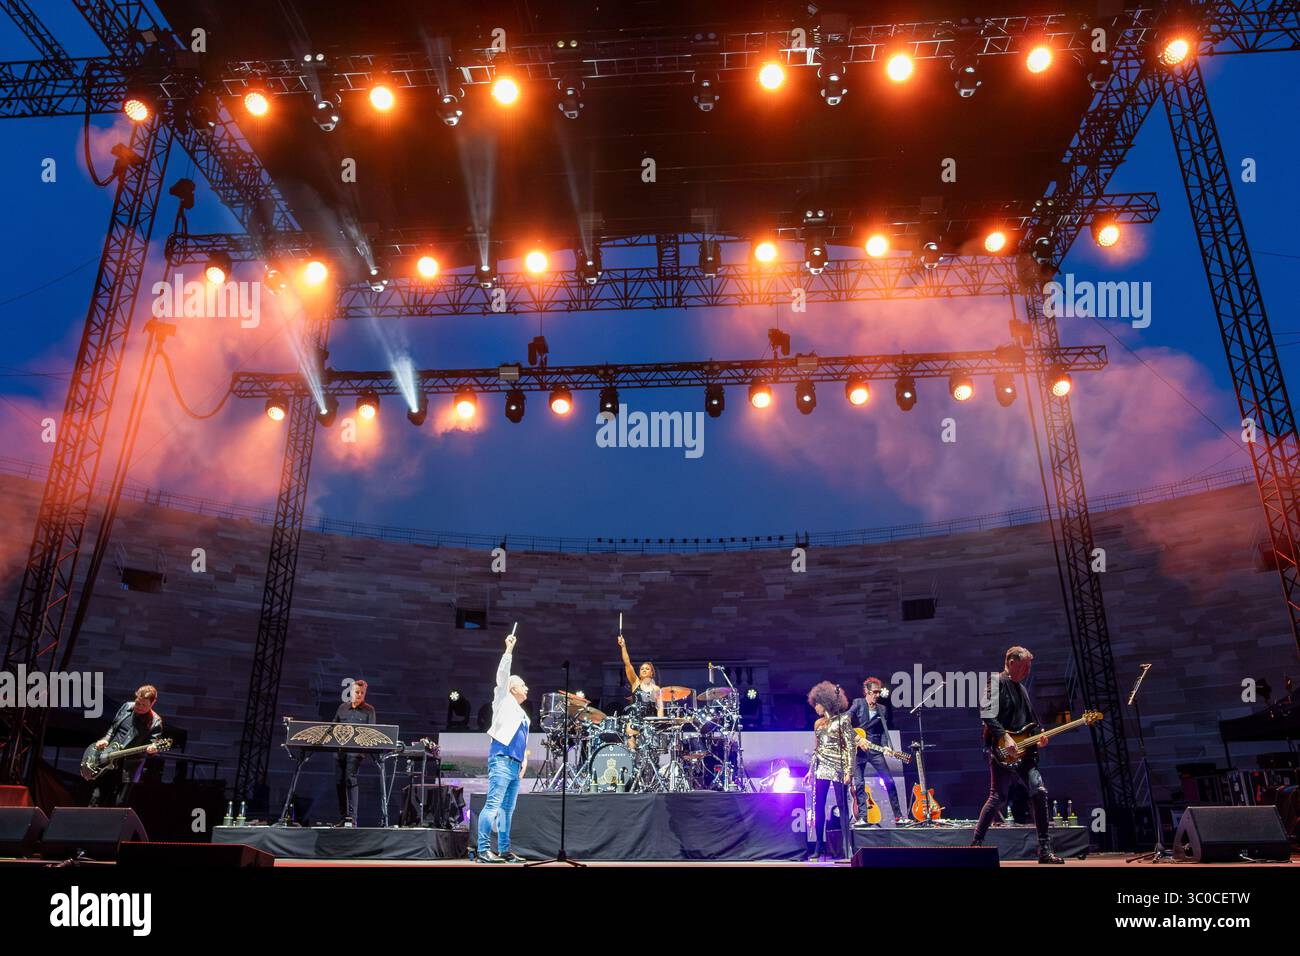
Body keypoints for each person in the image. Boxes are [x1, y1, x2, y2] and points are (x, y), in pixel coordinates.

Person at [970, 646, 1064, 864]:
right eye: (1024, 667)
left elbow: (1031, 720)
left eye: (1030, 667)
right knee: (997, 798)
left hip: (1025, 752)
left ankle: (1044, 850)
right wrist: (1004, 736)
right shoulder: (996, 682)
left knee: (1038, 791)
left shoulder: (1022, 688)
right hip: (1002, 750)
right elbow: (986, 713)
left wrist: (1040, 735)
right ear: (1011, 663)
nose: (1028, 671)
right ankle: (975, 845)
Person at [477, 632, 530, 863]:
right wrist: (508, 650)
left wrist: (524, 760)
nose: (526, 688)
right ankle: (483, 849)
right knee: (493, 805)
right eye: (523, 685)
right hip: (501, 759)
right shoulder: (502, 699)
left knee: (507, 811)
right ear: (512, 688)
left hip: (515, 764)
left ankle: (505, 850)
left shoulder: (522, 713)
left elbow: (521, 739)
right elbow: (502, 676)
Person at [803, 681, 854, 861]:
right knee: (818, 807)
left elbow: (850, 747)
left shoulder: (843, 720)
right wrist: (810, 770)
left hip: (839, 766)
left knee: (843, 806)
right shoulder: (817, 724)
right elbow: (817, 749)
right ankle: (818, 846)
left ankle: (847, 847)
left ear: (825, 702)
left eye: (817, 703)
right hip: (821, 767)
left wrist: (849, 771)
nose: (815, 706)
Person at [89, 685, 163, 808]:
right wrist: (105, 739)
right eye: (138, 703)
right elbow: (113, 728)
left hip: (129, 767)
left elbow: (153, 745)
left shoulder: (156, 722)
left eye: (144, 705)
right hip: (109, 759)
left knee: (119, 803)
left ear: (153, 703)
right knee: (96, 798)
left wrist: (152, 750)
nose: (139, 707)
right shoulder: (126, 707)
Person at [848, 677, 906, 825]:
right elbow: (844, 723)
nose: (877, 695)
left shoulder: (883, 709)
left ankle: (899, 816)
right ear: (866, 691)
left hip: (875, 749)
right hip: (859, 749)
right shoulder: (858, 703)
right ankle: (862, 817)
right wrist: (858, 739)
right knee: (859, 784)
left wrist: (886, 745)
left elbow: (883, 731)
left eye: (879, 692)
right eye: (874, 692)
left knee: (889, 781)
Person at [334, 679, 376, 827]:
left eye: (362, 693)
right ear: (351, 692)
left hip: (356, 753)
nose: (359, 695)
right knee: (339, 782)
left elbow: (371, 732)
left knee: (350, 779)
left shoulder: (369, 710)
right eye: (357, 692)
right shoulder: (342, 708)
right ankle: (343, 817)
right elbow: (334, 727)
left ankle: (352, 818)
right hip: (340, 752)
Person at [617, 634, 664, 718]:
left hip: (650, 722)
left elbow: (660, 708)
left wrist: (659, 723)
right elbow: (627, 664)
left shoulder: (656, 688)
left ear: (652, 673)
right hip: (635, 721)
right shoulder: (635, 683)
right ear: (639, 673)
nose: (644, 670)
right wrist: (623, 646)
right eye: (642, 669)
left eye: (647, 669)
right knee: (629, 729)